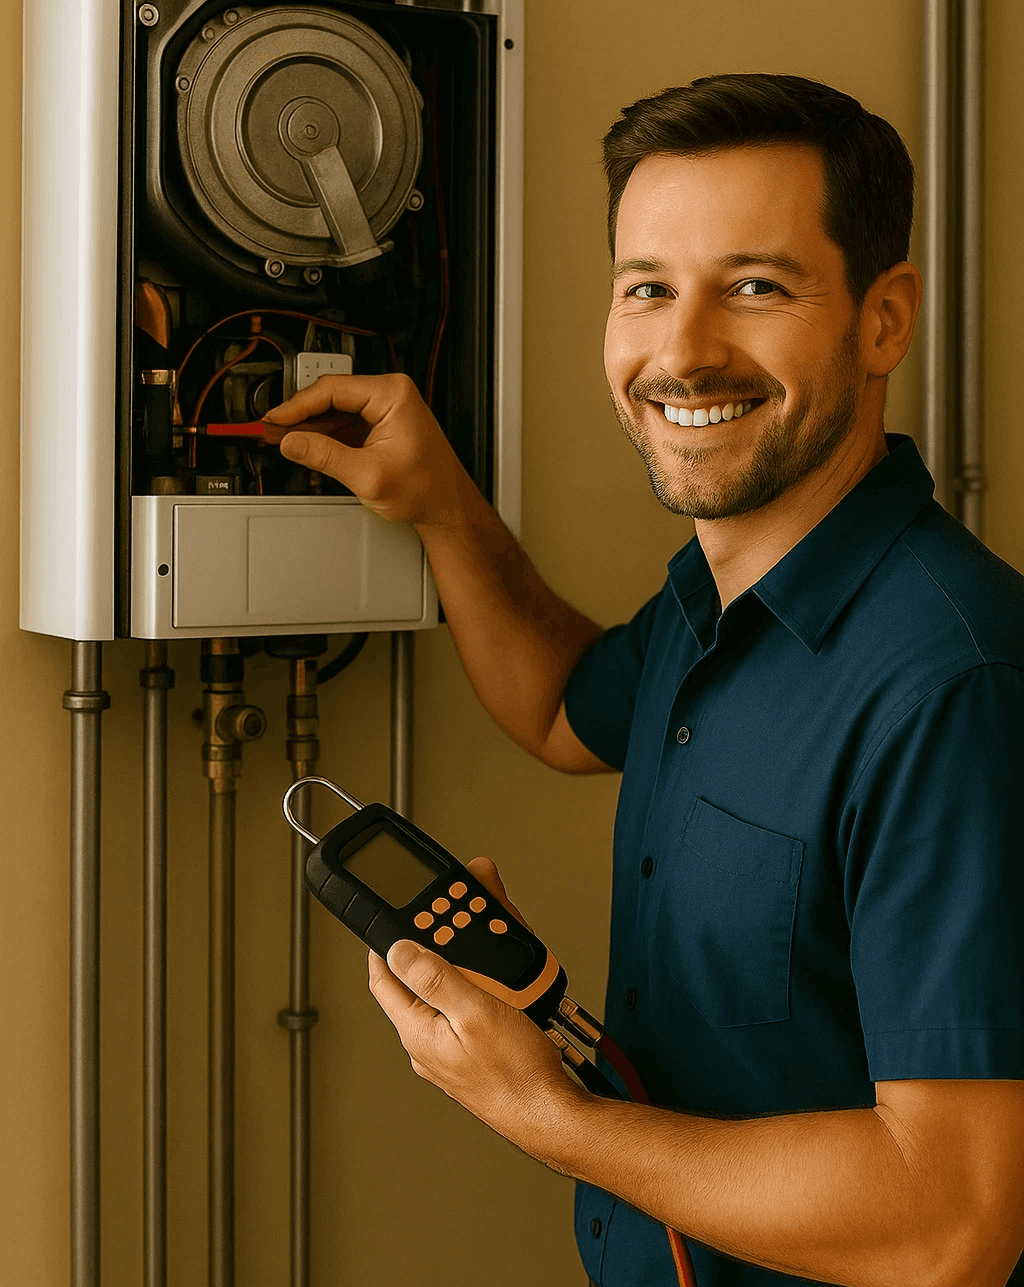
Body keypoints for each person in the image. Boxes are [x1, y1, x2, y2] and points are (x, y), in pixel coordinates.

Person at [264, 74, 1024, 1287]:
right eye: (647, 290)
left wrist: (547, 1115)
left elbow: (950, 1223)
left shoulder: (954, 684)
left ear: (885, 320)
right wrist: (441, 507)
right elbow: (565, 709)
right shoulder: (709, 595)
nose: (681, 350)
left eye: (756, 288)